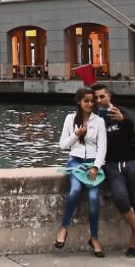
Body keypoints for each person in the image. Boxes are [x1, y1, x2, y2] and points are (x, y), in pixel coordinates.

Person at [92, 82, 135, 257]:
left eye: (102, 96)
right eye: (96, 98)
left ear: (109, 96)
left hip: (132, 162)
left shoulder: (121, 111)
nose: (99, 100)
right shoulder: (95, 118)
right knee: (121, 198)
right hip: (112, 166)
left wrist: (122, 119)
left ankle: (133, 244)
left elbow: (131, 124)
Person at [55, 86, 107, 257]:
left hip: (93, 164)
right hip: (75, 162)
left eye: (92, 101)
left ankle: (94, 237)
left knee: (93, 198)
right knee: (75, 191)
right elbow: (63, 145)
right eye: (86, 101)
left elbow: (102, 148)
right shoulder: (70, 119)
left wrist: (96, 166)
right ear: (79, 102)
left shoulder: (99, 121)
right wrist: (76, 135)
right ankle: (64, 228)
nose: (90, 104)